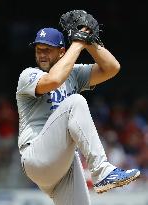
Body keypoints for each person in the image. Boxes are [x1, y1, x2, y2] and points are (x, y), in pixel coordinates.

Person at [16, 27, 140, 205]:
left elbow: (112, 68)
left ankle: (101, 171)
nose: (42, 54)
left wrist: (89, 42)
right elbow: (54, 80)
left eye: (47, 49)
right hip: (36, 156)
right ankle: (101, 169)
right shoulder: (28, 75)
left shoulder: (73, 74)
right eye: (38, 49)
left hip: (64, 166)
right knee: (75, 101)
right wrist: (78, 43)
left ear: (61, 52)